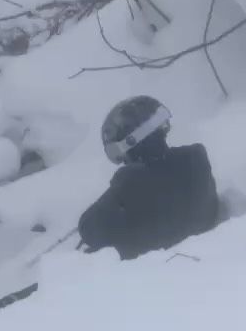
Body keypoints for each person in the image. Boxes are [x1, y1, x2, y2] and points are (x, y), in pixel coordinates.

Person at [78, 96, 219, 260]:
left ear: (131, 142)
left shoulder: (130, 181)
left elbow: (88, 229)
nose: (123, 159)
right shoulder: (195, 159)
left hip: (151, 271)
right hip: (206, 257)